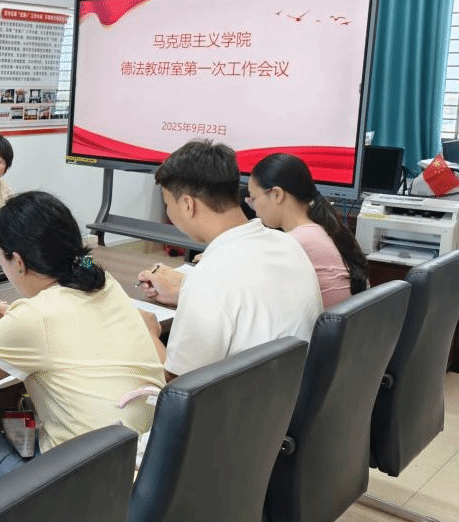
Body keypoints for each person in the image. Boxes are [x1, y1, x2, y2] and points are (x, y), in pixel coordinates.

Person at [0, 191, 166, 491]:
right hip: (142, 468)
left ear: (19, 262)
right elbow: (72, 327)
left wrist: (14, 326)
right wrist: (16, 319)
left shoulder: (33, 318)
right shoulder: (102, 281)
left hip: (72, 490)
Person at [136, 139, 322, 380]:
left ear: (188, 205)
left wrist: (149, 334)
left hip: (241, 402)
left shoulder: (208, 278)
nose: (169, 213)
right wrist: (183, 293)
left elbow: (178, 386)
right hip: (292, 394)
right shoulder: (288, 245)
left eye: (167, 204)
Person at [246, 152, 369, 308]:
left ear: (276, 194)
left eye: (254, 198)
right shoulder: (323, 229)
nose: (254, 207)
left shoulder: (293, 243)